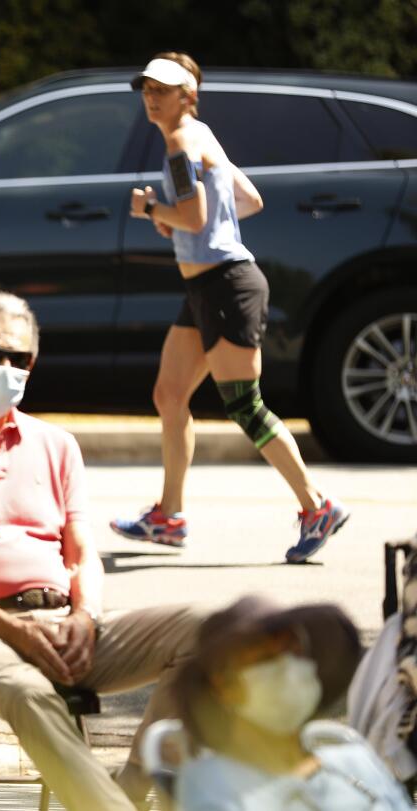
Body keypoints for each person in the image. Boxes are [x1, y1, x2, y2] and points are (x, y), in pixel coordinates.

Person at [0, 292, 203, 811]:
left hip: (61, 624)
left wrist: (86, 616)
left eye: (20, 359)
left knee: (209, 631)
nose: (6, 369)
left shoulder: (56, 444)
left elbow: (82, 553)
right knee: (30, 691)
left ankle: (127, 789)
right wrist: (13, 631)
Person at [111, 52, 347, 562]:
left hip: (227, 288)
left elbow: (195, 217)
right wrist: (180, 218)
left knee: (244, 404)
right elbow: (247, 201)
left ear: (187, 96)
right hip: (206, 290)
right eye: (147, 89)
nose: (152, 98)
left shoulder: (179, 141)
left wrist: (152, 208)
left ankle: (316, 506)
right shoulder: (203, 134)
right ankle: (168, 517)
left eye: (163, 90)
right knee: (170, 396)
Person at [173, 595, 410, 810]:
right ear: (223, 685)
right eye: (267, 658)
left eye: (295, 652)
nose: (289, 668)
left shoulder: (356, 761)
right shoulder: (212, 784)